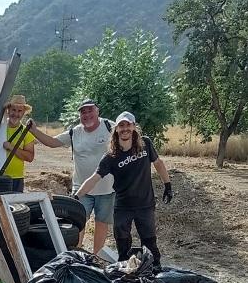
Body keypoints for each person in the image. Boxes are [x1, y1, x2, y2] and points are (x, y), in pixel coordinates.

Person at [75, 111, 173, 268]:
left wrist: (168, 185)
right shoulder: (111, 157)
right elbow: (94, 179)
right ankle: (124, 279)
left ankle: (155, 275)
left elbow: (158, 163)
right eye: (121, 125)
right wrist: (76, 196)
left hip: (145, 206)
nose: (125, 128)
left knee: (150, 244)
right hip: (122, 208)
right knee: (122, 248)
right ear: (116, 129)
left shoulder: (145, 144)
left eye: (128, 125)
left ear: (134, 127)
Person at [30, 98, 115, 253]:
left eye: (90, 110)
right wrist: (34, 130)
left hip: (107, 188)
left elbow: (127, 138)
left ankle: (97, 257)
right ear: (80, 115)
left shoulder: (110, 127)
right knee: (78, 223)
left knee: (102, 223)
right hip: (82, 189)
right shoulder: (74, 132)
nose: (87, 114)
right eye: (83, 111)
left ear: (97, 111)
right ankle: (76, 255)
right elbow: (52, 142)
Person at [1, 94, 35, 192]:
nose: (16, 114)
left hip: (16, 179)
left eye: (19, 111)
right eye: (13, 110)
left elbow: (29, 157)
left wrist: (11, 147)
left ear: (24, 113)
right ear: (8, 110)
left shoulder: (26, 133)